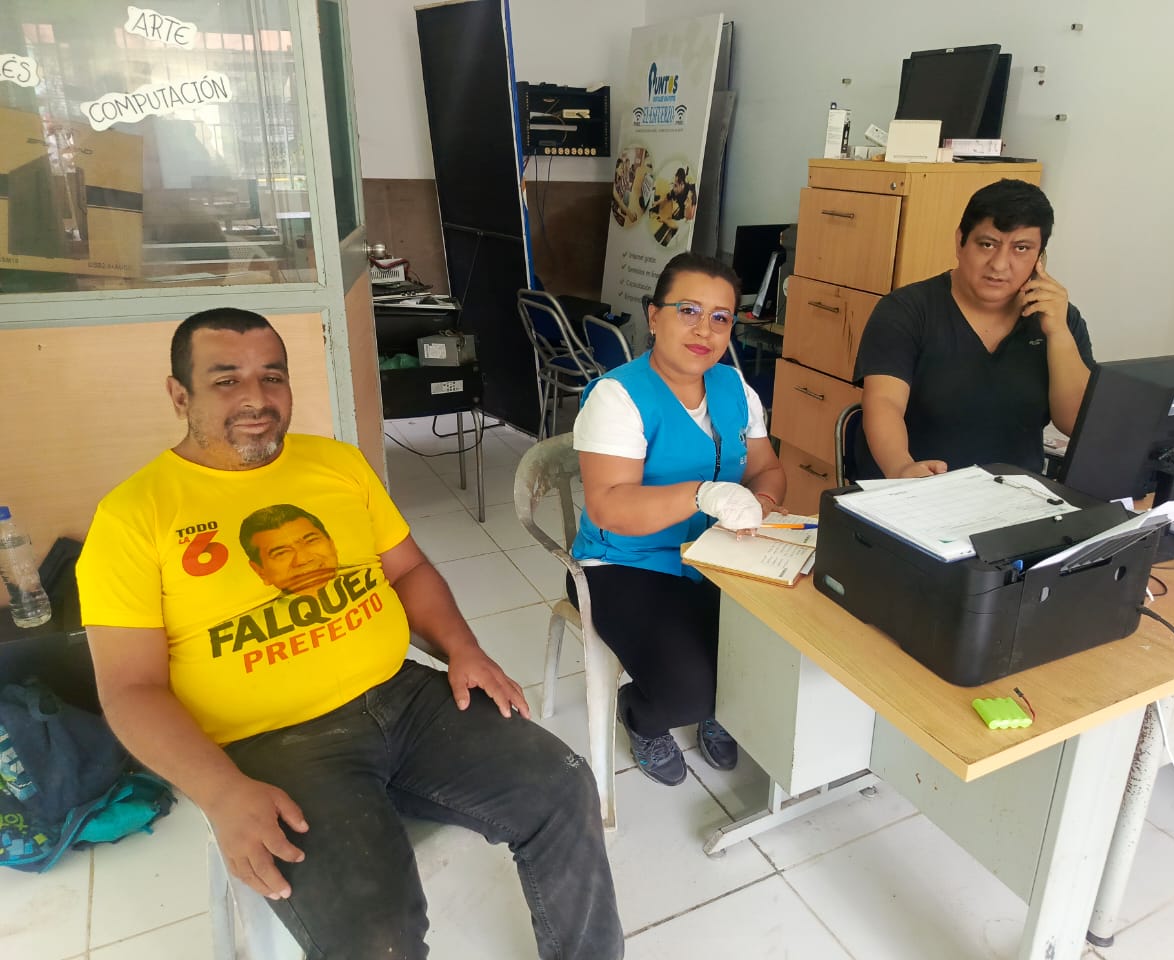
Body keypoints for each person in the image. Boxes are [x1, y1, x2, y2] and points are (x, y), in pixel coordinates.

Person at [76, 308, 623, 960]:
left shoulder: (337, 464)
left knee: (562, 785)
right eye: (226, 380)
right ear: (179, 394)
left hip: (405, 696)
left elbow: (409, 570)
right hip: (273, 743)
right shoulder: (133, 517)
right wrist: (221, 792)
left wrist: (463, 649)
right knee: (375, 938)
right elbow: (130, 689)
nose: (256, 398)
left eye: (272, 376)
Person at [570, 253, 786, 786]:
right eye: (688, 310)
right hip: (625, 564)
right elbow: (609, 506)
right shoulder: (619, 396)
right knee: (690, 690)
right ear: (653, 316)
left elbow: (768, 469)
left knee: (775, 650)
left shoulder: (736, 389)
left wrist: (761, 504)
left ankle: (721, 707)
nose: (704, 329)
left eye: (720, 317)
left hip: (716, 555)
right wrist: (702, 494)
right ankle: (641, 715)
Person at [853, 178, 1095, 479]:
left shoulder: (1060, 318)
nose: (999, 264)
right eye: (987, 244)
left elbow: (1076, 424)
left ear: (1039, 258)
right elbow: (884, 402)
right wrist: (901, 467)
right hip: (916, 488)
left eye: (1021, 248)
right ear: (960, 242)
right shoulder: (906, 310)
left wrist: (1058, 334)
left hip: (1014, 494)